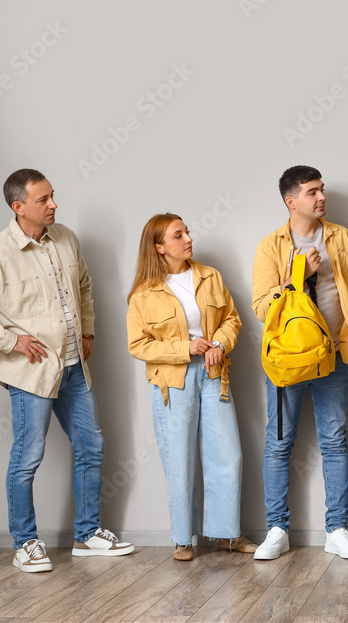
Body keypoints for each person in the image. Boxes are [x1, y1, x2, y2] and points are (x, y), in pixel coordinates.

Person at [0, 168, 134, 573]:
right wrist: (9, 341)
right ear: (18, 206)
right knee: (28, 456)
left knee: (91, 447)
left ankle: (87, 534)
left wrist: (89, 329)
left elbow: (82, 283)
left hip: (74, 365)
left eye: (53, 196)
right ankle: (25, 542)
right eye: (43, 200)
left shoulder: (65, 238)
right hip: (32, 372)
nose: (53, 204)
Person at [251, 165, 348, 560]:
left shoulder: (342, 238)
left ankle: (336, 529)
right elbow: (262, 308)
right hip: (286, 362)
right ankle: (277, 529)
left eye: (322, 190)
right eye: (312, 192)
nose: (321, 197)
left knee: (334, 441)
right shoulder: (271, 246)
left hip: (333, 357)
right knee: (279, 443)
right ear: (292, 200)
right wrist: (299, 277)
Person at [127, 214, 255, 561]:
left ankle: (227, 535)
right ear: (159, 247)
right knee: (179, 457)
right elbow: (138, 345)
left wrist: (220, 346)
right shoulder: (143, 294)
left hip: (215, 374)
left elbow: (232, 319)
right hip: (174, 382)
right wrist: (184, 349)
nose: (188, 239)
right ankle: (183, 538)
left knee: (228, 455)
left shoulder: (209, 276)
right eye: (178, 235)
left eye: (186, 232)